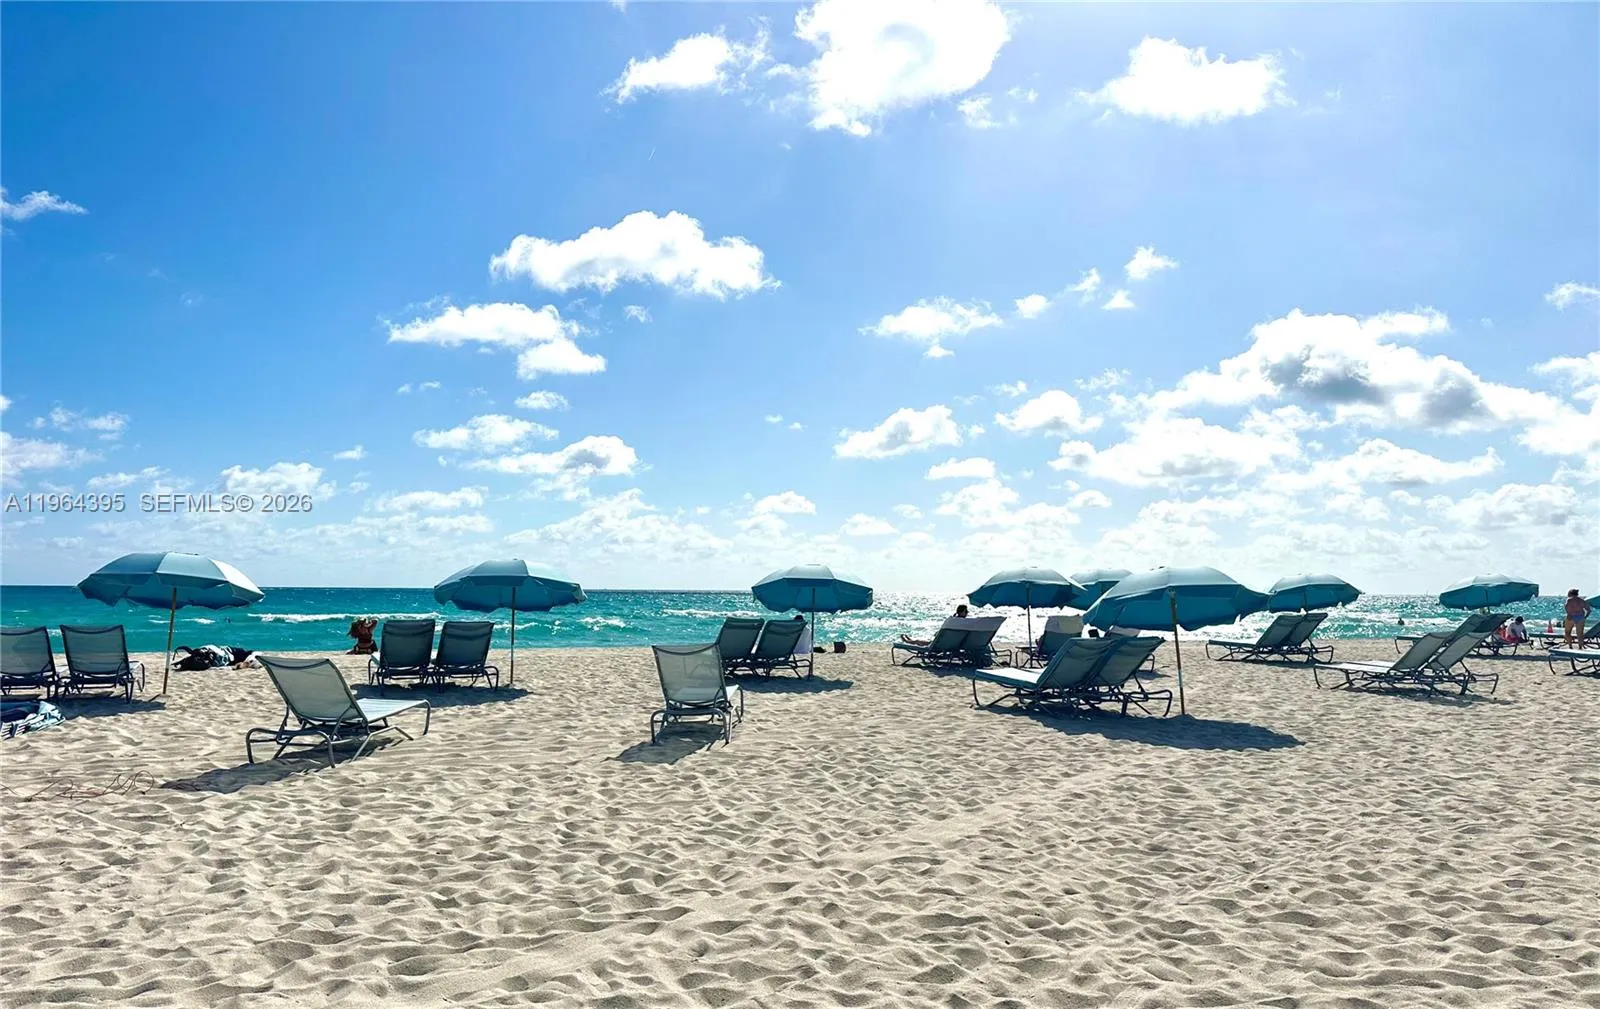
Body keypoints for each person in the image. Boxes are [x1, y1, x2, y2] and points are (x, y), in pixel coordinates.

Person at [900, 604, 970, 645]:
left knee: (922, 642)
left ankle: (908, 641)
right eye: (966, 611)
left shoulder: (952, 621)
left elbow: (940, 633)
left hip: (943, 644)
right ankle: (910, 641)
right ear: (960, 612)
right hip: (953, 644)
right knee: (925, 642)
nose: (967, 613)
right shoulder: (966, 623)